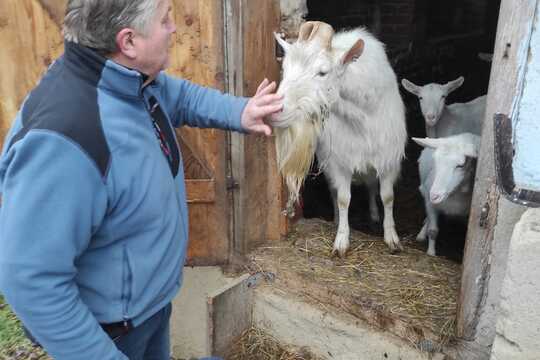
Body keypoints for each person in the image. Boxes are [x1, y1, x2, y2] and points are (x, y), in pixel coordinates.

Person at [0, 0, 282, 359]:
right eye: (165, 19)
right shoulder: (64, 140)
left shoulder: (127, 82)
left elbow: (176, 96)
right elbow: (30, 280)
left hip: (147, 310)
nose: (174, 28)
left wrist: (239, 111)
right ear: (128, 41)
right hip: (110, 335)